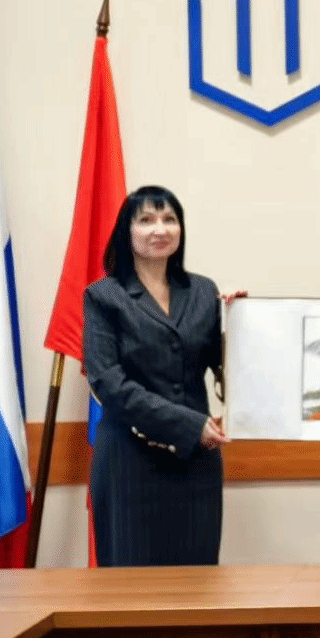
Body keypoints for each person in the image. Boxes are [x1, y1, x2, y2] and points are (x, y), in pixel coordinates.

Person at [84, 185, 230, 566]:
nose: (160, 229)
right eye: (146, 220)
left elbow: (224, 367)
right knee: (133, 587)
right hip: (129, 462)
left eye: (169, 219)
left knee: (197, 585)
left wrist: (238, 324)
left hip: (196, 463)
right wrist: (189, 425)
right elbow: (108, 383)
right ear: (127, 231)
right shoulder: (103, 295)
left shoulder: (204, 291)